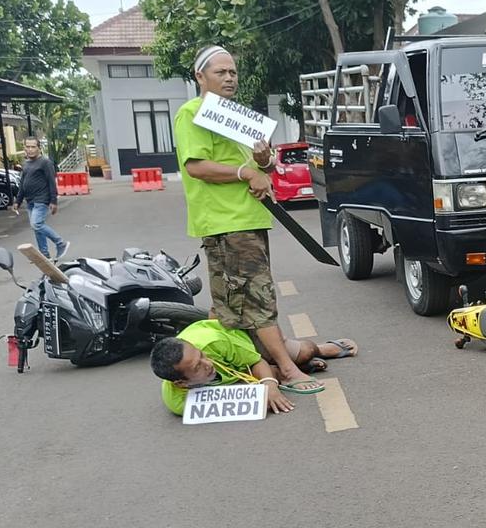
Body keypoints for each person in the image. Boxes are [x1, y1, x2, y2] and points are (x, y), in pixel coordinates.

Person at [173, 45, 323, 395]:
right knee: (257, 298)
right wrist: (245, 171)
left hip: (248, 218)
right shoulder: (192, 113)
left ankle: (244, 365)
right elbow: (196, 166)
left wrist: (264, 161)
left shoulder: (234, 116)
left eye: (233, 72)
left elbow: (262, 168)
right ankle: (286, 369)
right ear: (200, 76)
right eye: (220, 72)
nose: (229, 78)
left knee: (231, 305)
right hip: (227, 223)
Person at [151, 319, 358, 416]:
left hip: (245, 339)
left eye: (202, 356)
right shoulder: (179, 403)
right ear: (180, 382)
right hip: (235, 375)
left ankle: (322, 349)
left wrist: (269, 385)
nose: (207, 363)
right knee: (271, 376)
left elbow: (255, 362)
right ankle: (294, 368)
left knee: (302, 353)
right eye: (197, 367)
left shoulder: (213, 343)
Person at [12, 136, 69, 259]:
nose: (30, 149)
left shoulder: (45, 162)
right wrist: (18, 200)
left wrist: (54, 201)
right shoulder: (26, 164)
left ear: (39, 148)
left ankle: (60, 243)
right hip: (30, 201)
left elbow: (51, 182)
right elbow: (22, 183)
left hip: (42, 199)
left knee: (36, 224)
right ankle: (44, 255)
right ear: (24, 148)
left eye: (33, 147)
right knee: (37, 229)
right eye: (28, 147)